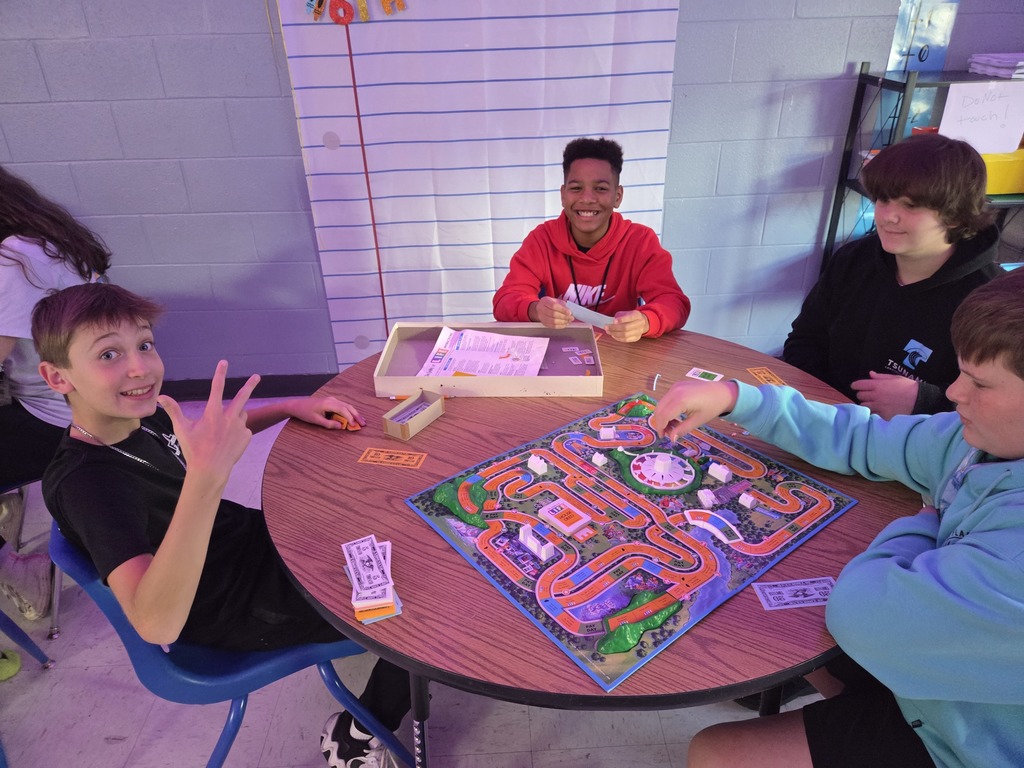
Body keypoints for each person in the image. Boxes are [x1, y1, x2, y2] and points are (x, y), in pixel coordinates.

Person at [650, 268, 1024, 768]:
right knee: (797, 631)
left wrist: (923, 525)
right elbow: (866, 438)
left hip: (970, 740)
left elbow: (862, 617)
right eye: (960, 373)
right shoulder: (979, 438)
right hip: (933, 666)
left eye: (979, 382)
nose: (953, 393)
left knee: (714, 753)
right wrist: (740, 399)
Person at [32, 283, 409, 768]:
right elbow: (155, 622)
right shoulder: (88, 484)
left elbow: (207, 440)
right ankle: (356, 736)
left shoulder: (141, 417)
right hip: (233, 605)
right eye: (109, 354)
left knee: (391, 525)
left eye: (144, 344)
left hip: (254, 547)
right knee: (423, 612)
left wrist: (287, 407)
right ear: (57, 376)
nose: (140, 368)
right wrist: (204, 480)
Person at [783, 133, 1002, 419]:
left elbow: (1001, 407)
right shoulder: (853, 260)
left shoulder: (992, 301)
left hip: (918, 438)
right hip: (827, 419)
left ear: (956, 216)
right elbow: (804, 340)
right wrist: (826, 409)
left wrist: (926, 401)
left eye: (910, 205)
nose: (888, 216)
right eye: (884, 199)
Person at [0, 164, 111, 620]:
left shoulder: (10, 262)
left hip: (65, 419)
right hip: (92, 398)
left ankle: (16, 569)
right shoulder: (43, 236)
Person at [492, 137, 690, 342]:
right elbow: (505, 300)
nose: (587, 198)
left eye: (601, 188)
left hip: (621, 350)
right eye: (576, 188)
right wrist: (535, 309)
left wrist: (647, 321)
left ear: (618, 196)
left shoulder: (640, 242)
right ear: (563, 195)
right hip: (559, 346)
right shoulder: (541, 240)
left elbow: (674, 302)